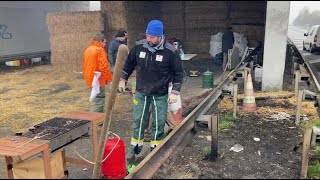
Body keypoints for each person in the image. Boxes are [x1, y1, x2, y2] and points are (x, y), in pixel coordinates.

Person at [118, 20, 184, 164]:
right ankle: (135, 148)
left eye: (152, 37)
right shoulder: (139, 47)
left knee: (159, 122)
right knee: (139, 119)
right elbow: (129, 64)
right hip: (141, 91)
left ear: (160, 36)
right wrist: (123, 79)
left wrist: (175, 92)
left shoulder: (170, 51)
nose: (149, 39)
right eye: (148, 35)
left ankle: (155, 148)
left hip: (160, 93)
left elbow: (178, 73)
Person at [82, 34, 113, 112]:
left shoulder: (88, 49)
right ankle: (96, 120)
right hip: (98, 79)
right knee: (100, 99)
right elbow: (104, 67)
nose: (105, 45)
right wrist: (110, 79)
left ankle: (97, 118)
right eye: (105, 42)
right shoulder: (99, 50)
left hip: (91, 77)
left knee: (96, 99)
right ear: (100, 41)